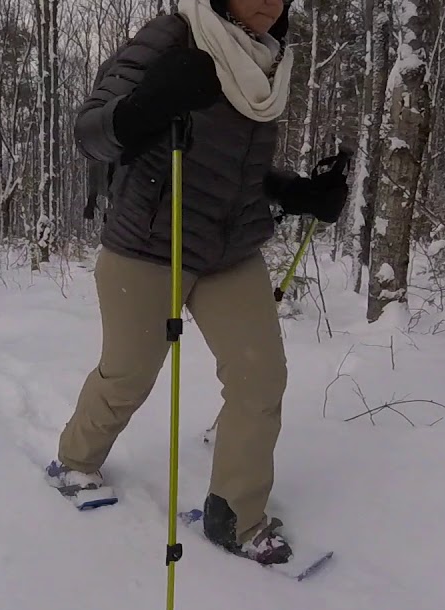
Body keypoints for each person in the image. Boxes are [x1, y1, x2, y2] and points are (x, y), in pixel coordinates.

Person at [46, 0, 348, 565]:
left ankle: (234, 516)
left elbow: (238, 173)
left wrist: (301, 193)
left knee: (261, 379)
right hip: (148, 247)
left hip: (229, 251)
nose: (267, 1)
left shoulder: (267, 62)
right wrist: (148, 103)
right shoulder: (172, 38)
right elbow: (91, 133)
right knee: (129, 375)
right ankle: (75, 460)